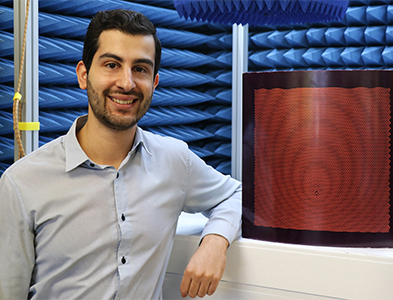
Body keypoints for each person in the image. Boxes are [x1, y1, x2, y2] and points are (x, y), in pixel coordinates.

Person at [0, 9, 241, 300]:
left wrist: (215, 242)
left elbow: (235, 195)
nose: (127, 83)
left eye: (140, 68)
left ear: (154, 82)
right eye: (112, 64)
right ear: (83, 75)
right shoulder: (21, 183)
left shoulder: (175, 161)